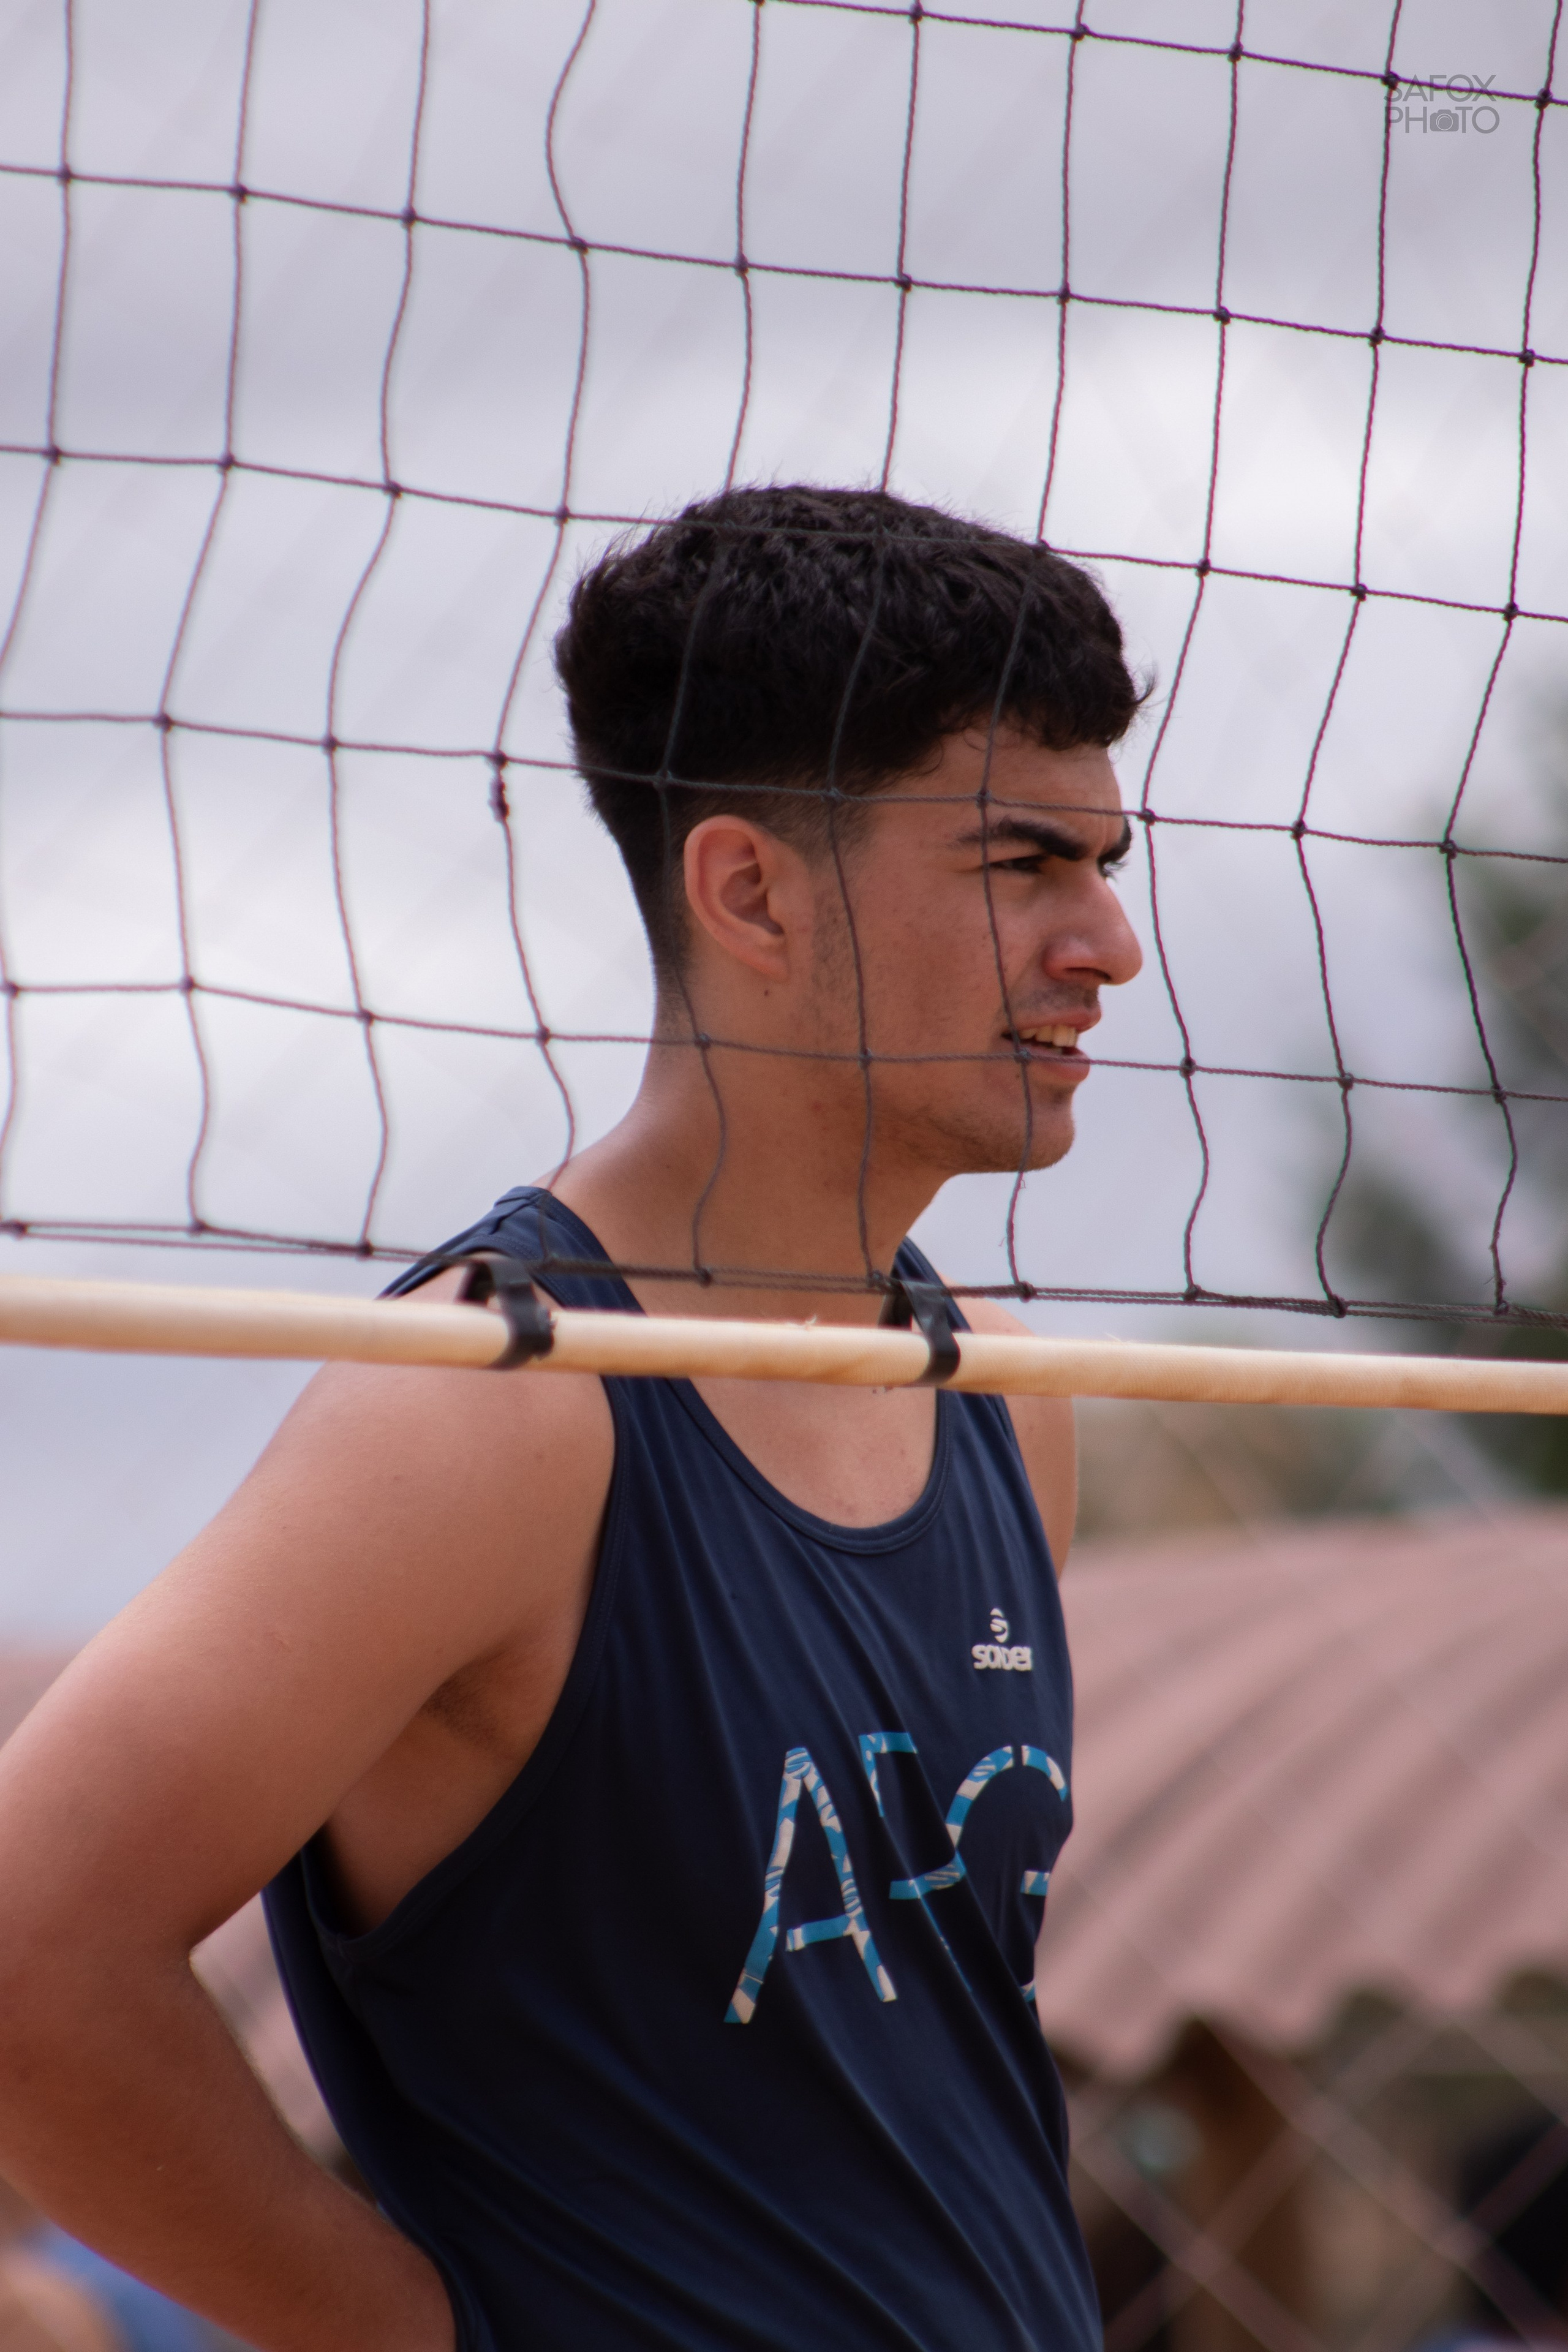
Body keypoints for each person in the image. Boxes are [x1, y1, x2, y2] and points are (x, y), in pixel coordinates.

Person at [0, 485, 1143, 2351]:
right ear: (751, 891)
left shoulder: (1005, 1406)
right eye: (1025, 863)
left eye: (1108, 859)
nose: (1111, 942)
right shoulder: (496, 1408)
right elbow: (29, 1959)